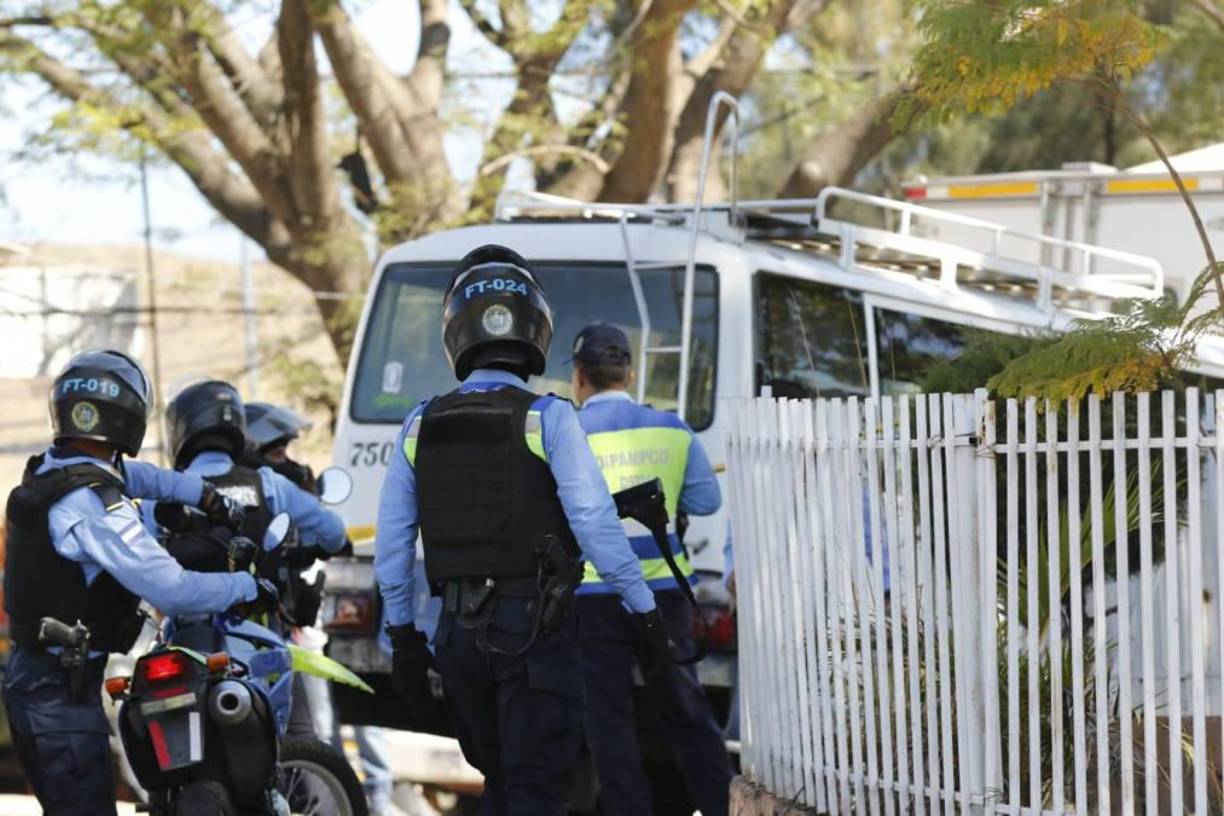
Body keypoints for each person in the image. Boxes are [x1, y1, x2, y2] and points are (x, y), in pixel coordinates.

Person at [374, 245, 665, 816]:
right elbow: (595, 522)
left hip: (456, 635)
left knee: (502, 785)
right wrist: (644, 609)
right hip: (533, 636)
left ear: (455, 330)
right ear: (536, 327)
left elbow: (393, 542)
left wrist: (404, 639)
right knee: (537, 791)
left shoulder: (418, 423)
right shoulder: (548, 416)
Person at [3, 349, 274, 816]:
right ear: (129, 418)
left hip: (40, 682)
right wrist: (247, 589)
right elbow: (173, 589)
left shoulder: (53, 470)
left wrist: (205, 495)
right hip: (58, 699)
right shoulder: (91, 506)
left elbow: (139, 477)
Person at [568, 323, 732, 816]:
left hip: (594, 596)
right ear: (630, 373)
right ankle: (722, 806)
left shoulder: (566, 434)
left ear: (579, 377)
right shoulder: (672, 428)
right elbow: (706, 500)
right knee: (685, 709)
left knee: (608, 721)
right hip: (664, 592)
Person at [244, 401, 406, 816]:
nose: (293, 465)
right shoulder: (254, 508)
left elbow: (331, 539)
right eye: (278, 453)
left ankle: (373, 799)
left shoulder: (288, 503)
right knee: (312, 735)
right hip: (281, 644)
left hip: (308, 634)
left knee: (342, 727)